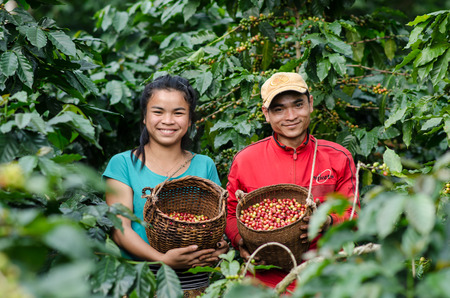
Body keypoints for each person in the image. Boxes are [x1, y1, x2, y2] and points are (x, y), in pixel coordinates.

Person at [225, 72, 359, 291]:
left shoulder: (337, 157)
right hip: (265, 281)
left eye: (298, 105)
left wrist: (328, 222)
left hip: (324, 277)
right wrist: (241, 240)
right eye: (279, 109)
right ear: (266, 114)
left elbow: (353, 213)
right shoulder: (246, 160)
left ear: (310, 103)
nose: (290, 116)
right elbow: (231, 214)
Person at [103, 75, 229, 295]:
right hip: (142, 283)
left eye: (178, 113)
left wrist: (220, 247)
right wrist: (163, 260)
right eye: (158, 112)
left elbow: (216, 225)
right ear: (144, 117)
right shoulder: (123, 164)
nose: (168, 120)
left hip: (197, 284)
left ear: (190, 120)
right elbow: (119, 229)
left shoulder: (204, 165)